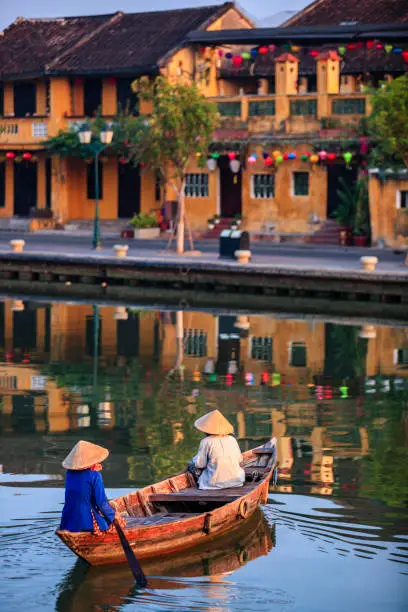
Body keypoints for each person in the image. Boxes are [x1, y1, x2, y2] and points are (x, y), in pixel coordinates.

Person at [60, 440, 123, 534]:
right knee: (114, 522)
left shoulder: (69, 473)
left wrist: (93, 470)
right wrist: (114, 516)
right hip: (87, 523)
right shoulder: (95, 476)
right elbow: (101, 504)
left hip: (67, 522)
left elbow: (82, 483)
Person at [189, 409, 245, 490]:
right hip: (236, 481)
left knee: (191, 464)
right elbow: (240, 459)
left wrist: (192, 462)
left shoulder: (206, 441)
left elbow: (200, 464)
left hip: (212, 484)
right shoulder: (232, 439)